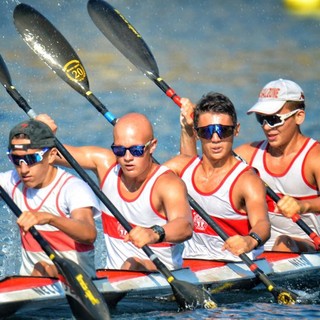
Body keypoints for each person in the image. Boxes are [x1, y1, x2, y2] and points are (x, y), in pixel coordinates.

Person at [40, 112, 193, 271]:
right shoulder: (106, 166)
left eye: (136, 150)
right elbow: (50, 155)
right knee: (45, 267)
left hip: (161, 273)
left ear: (152, 146)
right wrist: (41, 134)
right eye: (119, 150)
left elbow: (185, 225)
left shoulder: (167, 183)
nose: (127, 157)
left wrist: (154, 233)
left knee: (133, 263)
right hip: (118, 275)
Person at [164, 92, 270, 261]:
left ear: (236, 130)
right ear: (197, 134)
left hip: (237, 263)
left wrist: (251, 240)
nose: (215, 139)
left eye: (224, 131)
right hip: (192, 261)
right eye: (207, 132)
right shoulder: (181, 167)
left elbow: (263, 224)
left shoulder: (247, 180)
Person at [0, 119, 100, 277]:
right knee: (41, 267)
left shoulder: (73, 188)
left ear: (52, 155)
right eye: (16, 160)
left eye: (31, 159)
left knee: (43, 266)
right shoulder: (12, 181)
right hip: (31, 282)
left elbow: (89, 234)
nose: (23, 169)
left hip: (78, 282)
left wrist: (49, 218)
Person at [235, 79, 320, 253]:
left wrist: (304, 206)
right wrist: (189, 131)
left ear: (299, 117)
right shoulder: (248, 154)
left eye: (274, 119)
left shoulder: (314, 158)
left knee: (284, 242)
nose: (267, 127)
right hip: (258, 244)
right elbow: (199, 172)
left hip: (308, 243)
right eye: (262, 119)